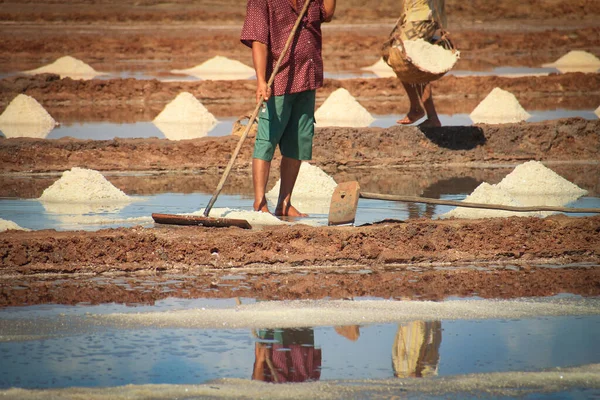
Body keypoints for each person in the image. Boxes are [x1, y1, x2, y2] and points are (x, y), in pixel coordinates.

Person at [240, 0, 337, 217]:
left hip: (307, 76)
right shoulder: (262, 1)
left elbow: (327, 13)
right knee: (267, 140)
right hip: (278, 81)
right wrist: (260, 81)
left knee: (297, 143)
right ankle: (259, 203)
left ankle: (285, 202)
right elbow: (259, 41)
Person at [383, 0, 446, 128]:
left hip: (421, 17)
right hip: (416, 15)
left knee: (400, 56)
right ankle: (427, 113)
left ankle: (419, 110)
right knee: (410, 58)